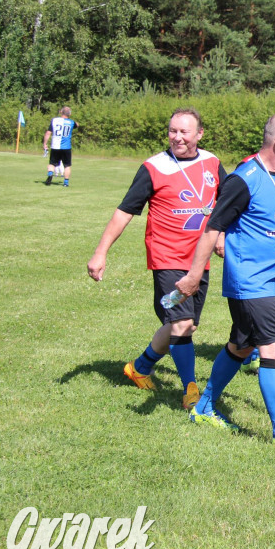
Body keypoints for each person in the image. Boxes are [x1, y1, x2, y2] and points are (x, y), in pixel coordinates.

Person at [176, 112, 275, 449]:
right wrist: (193, 275)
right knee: (272, 347)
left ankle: (204, 407)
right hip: (249, 280)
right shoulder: (244, 179)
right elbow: (212, 229)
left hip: (273, 281)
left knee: (241, 345)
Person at [87, 108, 225, 409]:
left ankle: (139, 367)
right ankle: (191, 392)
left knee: (185, 325)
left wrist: (223, 236)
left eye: (184, 132)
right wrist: (101, 252)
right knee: (182, 322)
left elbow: (227, 202)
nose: (177, 137)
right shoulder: (153, 167)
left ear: (199, 134)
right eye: (172, 130)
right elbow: (125, 211)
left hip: (198, 258)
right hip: (167, 257)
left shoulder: (212, 163)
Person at [43, 106, 77, 187]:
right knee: (67, 165)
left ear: (61, 112)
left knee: (52, 163)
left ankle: (50, 173)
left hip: (55, 146)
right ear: (70, 114)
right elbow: (77, 125)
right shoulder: (71, 122)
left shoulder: (54, 120)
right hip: (66, 147)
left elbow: (48, 133)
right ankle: (66, 183)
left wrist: (44, 144)